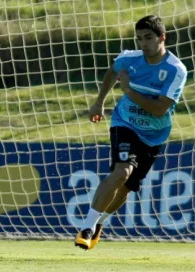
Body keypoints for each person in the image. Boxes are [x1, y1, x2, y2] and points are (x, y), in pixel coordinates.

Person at [75, 15, 187, 250]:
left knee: (126, 188)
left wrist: (126, 89)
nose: (143, 44)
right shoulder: (129, 59)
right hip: (125, 122)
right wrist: (99, 102)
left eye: (148, 38)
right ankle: (86, 226)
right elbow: (111, 71)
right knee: (121, 173)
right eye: (139, 39)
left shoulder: (176, 70)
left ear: (162, 38)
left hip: (154, 134)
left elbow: (158, 110)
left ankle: (99, 224)